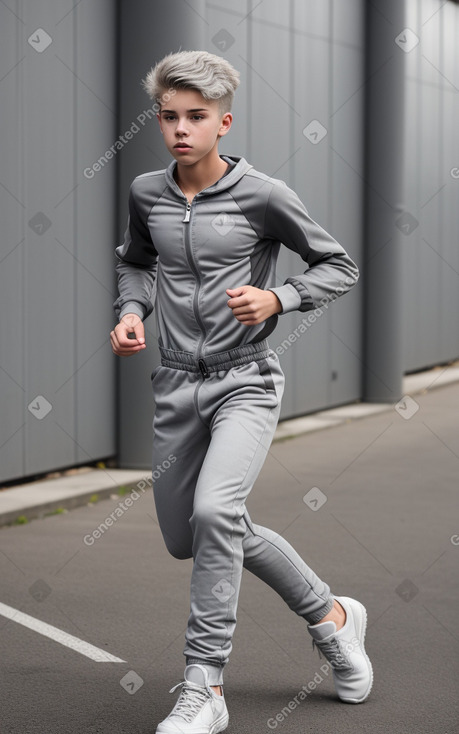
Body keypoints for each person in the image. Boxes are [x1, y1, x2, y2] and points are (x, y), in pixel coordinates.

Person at [110, 49, 372, 734]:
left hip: (243, 384)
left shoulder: (265, 196)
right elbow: (135, 264)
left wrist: (278, 296)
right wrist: (130, 312)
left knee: (216, 510)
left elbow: (337, 264)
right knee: (191, 532)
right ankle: (333, 615)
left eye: (195, 117)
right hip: (174, 386)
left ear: (223, 121)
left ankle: (206, 686)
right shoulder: (145, 193)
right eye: (169, 116)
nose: (180, 129)